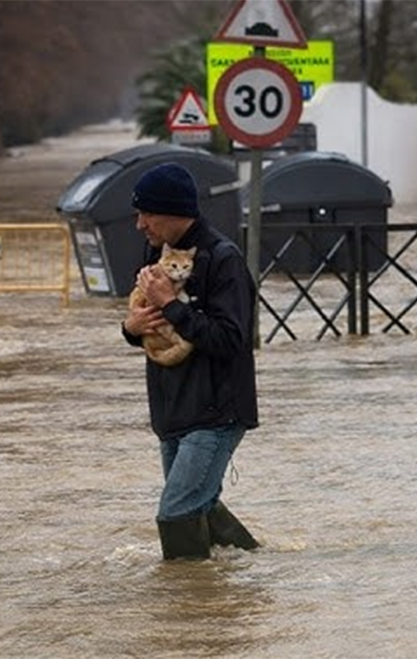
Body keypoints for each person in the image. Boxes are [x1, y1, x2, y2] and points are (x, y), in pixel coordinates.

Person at [121, 161, 259, 560]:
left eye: (146, 213)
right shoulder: (154, 255)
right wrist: (130, 328)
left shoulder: (223, 260)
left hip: (217, 411)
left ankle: (189, 612)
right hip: (172, 410)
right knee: (200, 506)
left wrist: (170, 303)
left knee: (176, 513)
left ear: (173, 211)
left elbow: (231, 340)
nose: (139, 224)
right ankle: (252, 566)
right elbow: (149, 329)